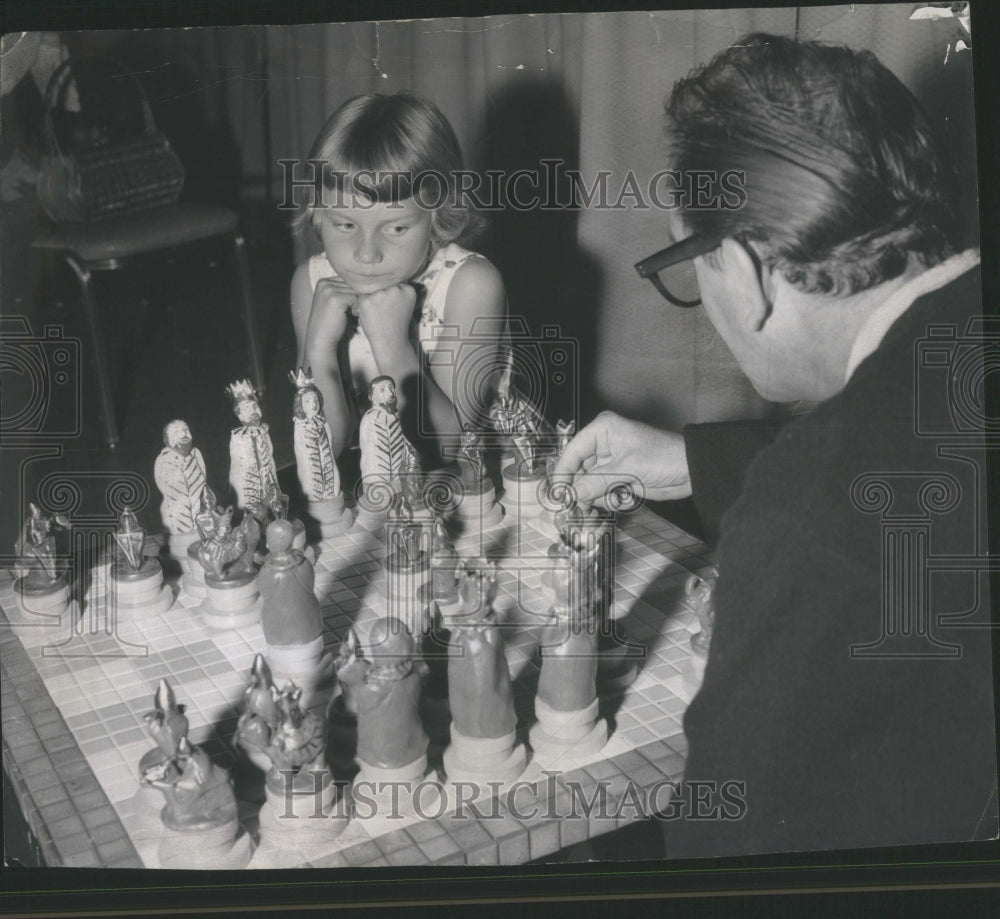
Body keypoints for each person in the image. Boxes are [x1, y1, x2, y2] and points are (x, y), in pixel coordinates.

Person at [555, 34, 995, 856]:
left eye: (691, 262)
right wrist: (697, 460)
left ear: (750, 272)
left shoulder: (814, 508)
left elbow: (730, 856)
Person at [290, 92, 507, 465]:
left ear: (438, 215)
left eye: (396, 227)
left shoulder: (472, 285)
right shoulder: (312, 284)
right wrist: (319, 350)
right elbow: (327, 450)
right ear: (318, 213)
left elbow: (450, 451)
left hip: (488, 483)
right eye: (345, 224)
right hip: (381, 477)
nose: (366, 253)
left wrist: (393, 345)